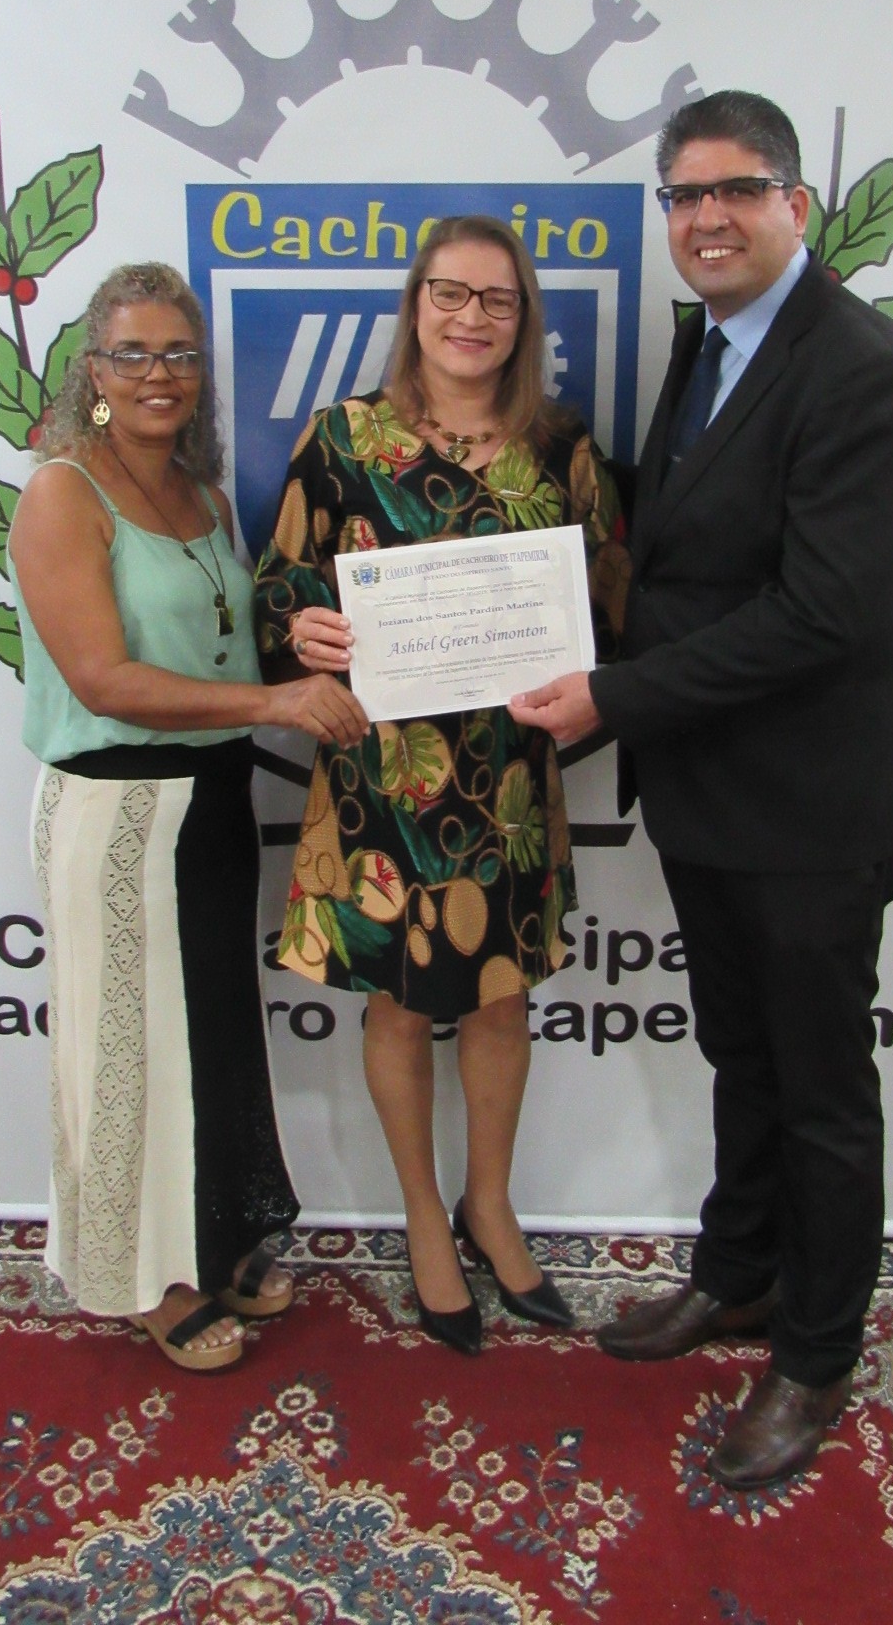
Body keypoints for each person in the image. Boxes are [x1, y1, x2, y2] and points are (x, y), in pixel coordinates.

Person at [511, 92, 893, 1486]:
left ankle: (815, 1356)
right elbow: (695, 541)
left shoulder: (864, 369)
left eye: (736, 190)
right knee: (744, 1058)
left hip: (812, 805)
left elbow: (821, 612)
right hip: (713, 789)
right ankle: (739, 1273)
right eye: (684, 196)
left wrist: (614, 696)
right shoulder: (709, 341)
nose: (707, 218)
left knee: (820, 1093)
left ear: (794, 204)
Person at [255, 216, 628, 1353]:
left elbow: (614, 598)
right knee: (402, 1003)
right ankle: (423, 1215)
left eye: (497, 299)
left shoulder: (561, 445)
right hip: (382, 775)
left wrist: (585, 662)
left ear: (524, 319)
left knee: (504, 996)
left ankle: (490, 1205)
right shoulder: (343, 438)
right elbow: (278, 585)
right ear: (415, 305)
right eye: (450, 294)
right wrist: (304, 626)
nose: (472, 317)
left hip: (508, 774)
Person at [8, 262, 368, 1372]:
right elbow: (105, 680)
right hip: (115, 812)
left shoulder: (205, 496)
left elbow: (226, 641)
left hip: (209, 804)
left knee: (207, 1038)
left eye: (179, 354)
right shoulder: (63, 493)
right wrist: (277, 703)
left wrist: (311, 642)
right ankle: (143, 1278)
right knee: (129, 1052)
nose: (158, 373)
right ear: (94, 370)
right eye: (133, 353)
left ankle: (211, 1243)